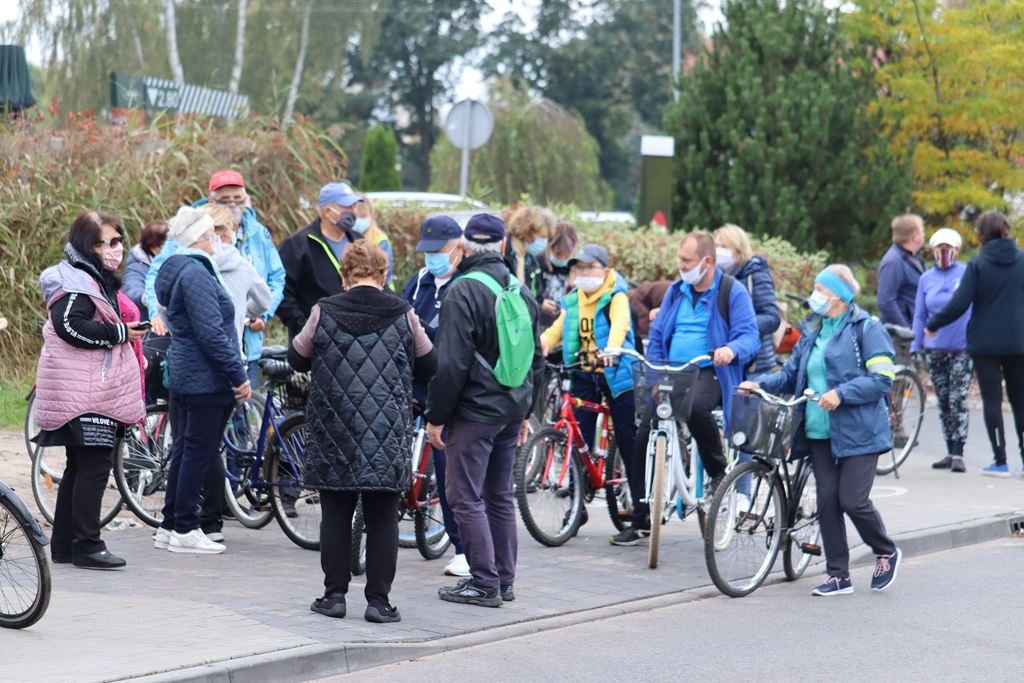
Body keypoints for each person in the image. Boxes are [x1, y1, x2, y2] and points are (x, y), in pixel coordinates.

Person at [289, 241, 437, 624]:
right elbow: (430, 362)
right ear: (383, 275)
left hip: (333, 429)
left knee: (335, 513)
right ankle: (379, 602)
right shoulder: (404, 313)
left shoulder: (323, 310)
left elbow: (297, 356)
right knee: (383, 517)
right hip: (385, 431)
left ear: (344, 276)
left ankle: (334, 596)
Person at [745, 265, 901, 596]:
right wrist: (759, 385)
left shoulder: (867, 329)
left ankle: (886, 551)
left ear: (839, 296)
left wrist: (841, 393)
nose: (813, 295)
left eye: (820, 288)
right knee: (828, 503)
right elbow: (790, 374)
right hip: (818, 432)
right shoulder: (813, 329)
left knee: (852, 501)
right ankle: (838, 575)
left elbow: (882, 380)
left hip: (860, 433)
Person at [425, 214, 545, 608]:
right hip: (510, 411)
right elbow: (537, 359)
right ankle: (504, 580)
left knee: (463, 495)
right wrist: (526, 411)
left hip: (474, 413)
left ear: (463, 248)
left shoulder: (462, 291)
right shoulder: (520, 290)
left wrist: (436, 416)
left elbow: (451, 365)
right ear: (504, 246)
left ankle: (484, 582)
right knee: (499, 495)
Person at [612, 231, 760, 546]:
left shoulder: (730, 291)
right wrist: (654, 378)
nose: (680, 266)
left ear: (707, 262)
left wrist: (731, 349)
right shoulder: (676, 291)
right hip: (673, 371)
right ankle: (641, 520)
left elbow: (750, 336)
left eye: (687, 261)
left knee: (695, 409)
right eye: (680, 259)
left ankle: (718, 474)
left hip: (710, 370)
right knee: (642, 434)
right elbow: (658, 336)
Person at [35, 211, 146, 569]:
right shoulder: (77, 281)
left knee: (80, 466)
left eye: (118, 240)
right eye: (105, 242)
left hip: (85, 389)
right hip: (85, 391)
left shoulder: (91, 278)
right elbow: (68, 326)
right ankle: (87, 546)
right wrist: (120, 333)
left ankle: (65, 545)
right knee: (95, 466)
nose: (115, 248)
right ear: (87, 245)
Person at [152, 207, 252, 555]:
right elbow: (212, 334)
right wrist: (238, 375)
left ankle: (169, 525)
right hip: (206, 379)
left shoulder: (181, 269)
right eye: (213, 234)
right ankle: (185, 527)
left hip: (187, 374)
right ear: (200, 238)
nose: (218, 240)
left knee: (185, 451)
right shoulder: (195, 274)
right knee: (197, 453)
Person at [145, 170, 285, 385]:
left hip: (247, 341)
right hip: (198, 347)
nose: (233, 205)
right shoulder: (191, 229)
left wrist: (258, 315)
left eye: (238, 199)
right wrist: (156, 313)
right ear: (211, 199)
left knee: (243, 398)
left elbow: (276, 277)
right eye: (225, 200)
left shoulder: (258, 232)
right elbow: (159, 275)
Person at [540, 244, 642, 533]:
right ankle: (576, 506)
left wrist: (613, 348)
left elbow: (620, 324)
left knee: (628, 438)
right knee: (577, 437)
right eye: (579, 268)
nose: (582, 273)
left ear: (605, 270)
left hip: (616, 371)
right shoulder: (574, 299)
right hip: (584, 373)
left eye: (588, 267)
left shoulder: (615, 296)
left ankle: (641, 512)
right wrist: (543, 342)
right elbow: (559, 328)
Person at [926, 211, 1024, 478]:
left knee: (992, 401)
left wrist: (933, 324)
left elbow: (959, 303)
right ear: (1006, 229)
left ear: (981, 234)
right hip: (1018, 342)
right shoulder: (1022, 260)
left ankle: (1000, 462)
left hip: (985, 344)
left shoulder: (978, 264)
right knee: (1020, 402)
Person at [400, 215, 469, 578]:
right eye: (427, 251)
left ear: (458, 249)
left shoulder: (466, 285)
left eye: (438, 251)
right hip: (412, 383)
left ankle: (462, 547)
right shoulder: (419, 282)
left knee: (447, 469)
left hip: (446, 388)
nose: (432, 258)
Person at [199, 204, 273, 542]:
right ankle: (233, 495)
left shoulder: (198, 265)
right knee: (234, 432)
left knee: (205, 442)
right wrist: (247, 313)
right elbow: (265, 299)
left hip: (205, 363)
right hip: (236, 357)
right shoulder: (241, 264)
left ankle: (209, 516)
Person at [911, 228, 972, 473]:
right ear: (933, 250)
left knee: (958, 399)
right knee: (944, 400)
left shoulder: (967, 274)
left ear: (957, 249)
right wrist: (916, 343)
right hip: (935, 349)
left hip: (962, 348)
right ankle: (949, 450)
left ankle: (958, 452)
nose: (944, 252)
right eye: (940, 247)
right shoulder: (926, 278)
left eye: (949, 247)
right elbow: (920, 314)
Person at [278, 181, 364, 338]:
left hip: (355, 336)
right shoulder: (297, 245)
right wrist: (306, 330)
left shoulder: (359, 242)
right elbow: (283, 295)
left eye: (354, 206)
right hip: (315, 341)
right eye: (347, 207)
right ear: (327, 211)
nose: (353, 212)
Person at [714, 224, 781, 376]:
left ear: (739, 250)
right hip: (725, 362)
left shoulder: (755, 274)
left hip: (755, 365)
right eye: (716, 246)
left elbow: (772, 318)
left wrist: (740, 325)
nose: (718, 251)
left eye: (724, 247)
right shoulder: (716, 278)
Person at [877, 214, 925, 327]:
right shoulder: (893, 262)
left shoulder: (913, 258)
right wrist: (905, 329)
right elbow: (885, 301)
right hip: (899, 334)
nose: (924, 235)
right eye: (922, 231)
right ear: (915, 236)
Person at [529, 221, 578, 330]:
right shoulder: (536, 263)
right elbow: (526, 296)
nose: (561, 259)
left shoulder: (577, 267)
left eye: (566, 256)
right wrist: (539, 304)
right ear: (549, 246)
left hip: (567, 325)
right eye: (558, 254)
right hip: (541, 325)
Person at [122, 219, 168, 321]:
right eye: (168, 245)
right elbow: (131, 290)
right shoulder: (136, 267)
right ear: (155, 248)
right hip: (150, 322)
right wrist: (148, 299)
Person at [505, 205, 555, 284]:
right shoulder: (501, 251)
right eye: (541, 237)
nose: (544, 242)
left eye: (546, 238)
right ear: (526, 231)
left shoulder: (532, 259)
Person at [353, 195, 395, 286]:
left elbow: (385, 272)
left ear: (371, 216)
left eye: (363, 216)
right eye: (356, 217)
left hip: (381, 290)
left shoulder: (380, 239)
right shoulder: (346, 237)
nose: (359, 220)